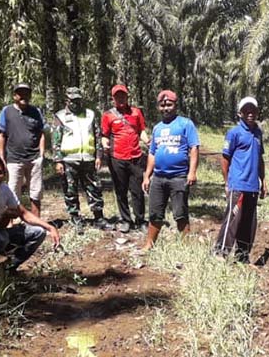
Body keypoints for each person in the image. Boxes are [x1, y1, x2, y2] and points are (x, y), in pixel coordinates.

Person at [0, 154, 61, 270]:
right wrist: (7, 215)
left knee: (38, 232)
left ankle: (8, 267)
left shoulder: (4, 189)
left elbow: (23, 213)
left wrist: (49, 227)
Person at [141, 90, 200, 251]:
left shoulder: (185, 124)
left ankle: (185, 247)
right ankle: (149, 245)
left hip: (179, 177)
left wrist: (192, 172)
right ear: (159, 107)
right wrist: (147, 176)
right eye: (162, 105)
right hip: (158, 178)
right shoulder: (157, 128)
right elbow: (152, 153)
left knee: (180, 213)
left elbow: (194, 148)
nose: (166, 108)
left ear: (175, 106)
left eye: (169, 104)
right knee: (154, 213)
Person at [215, 96, 266, 263]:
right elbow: (225, 158)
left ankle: (242, 256)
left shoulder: (258, 133)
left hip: (253, 186)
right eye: (247, 110)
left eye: (253, 110)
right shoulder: (234, 133)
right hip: (238, 184)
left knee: (249, 223)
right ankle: (220, 253)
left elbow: (260, 158)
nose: (250, 113)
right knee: (232, 220)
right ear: (240, 113)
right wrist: (227, 182)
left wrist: (263, 180)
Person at [51, 86, 108, 229]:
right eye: (72, 100)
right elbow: (55, 140)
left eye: (78, 100)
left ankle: (98, 217)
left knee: (94, 187)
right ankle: (75, 217)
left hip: (88, 159)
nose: (76, 103)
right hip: (68, 159)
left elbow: (97, 136)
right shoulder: (60, 116)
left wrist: (98, 156)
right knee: (70, 190)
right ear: (67, 100)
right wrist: (58, 160)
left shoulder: (90, 114)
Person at [100, 84, 148, 233]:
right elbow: (104, 135)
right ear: (113, 98)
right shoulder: (108, 115)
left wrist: (148, 141)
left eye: (123, 95)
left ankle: (140, 220)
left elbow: (141, 131)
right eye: (117, 96)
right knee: (121, 190)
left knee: (137, 190)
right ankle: (126, 220)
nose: (120, 98)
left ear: (127, 97)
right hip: (117, 158)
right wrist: (105, 144)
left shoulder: (136, 112)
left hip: (135, 157)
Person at [0, 82, 46, 218]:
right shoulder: (7, 111)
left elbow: (41, 133)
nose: (24, 96)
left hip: (34, 158)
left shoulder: (36, 112)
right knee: (12, 193)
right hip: (14, 159)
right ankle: (11, 224)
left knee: (36, 192)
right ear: (14, 96)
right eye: (20, 93)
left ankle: (36, 222)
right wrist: (1, 157)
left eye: (26, 93)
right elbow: (1, 135)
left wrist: (41, 154)